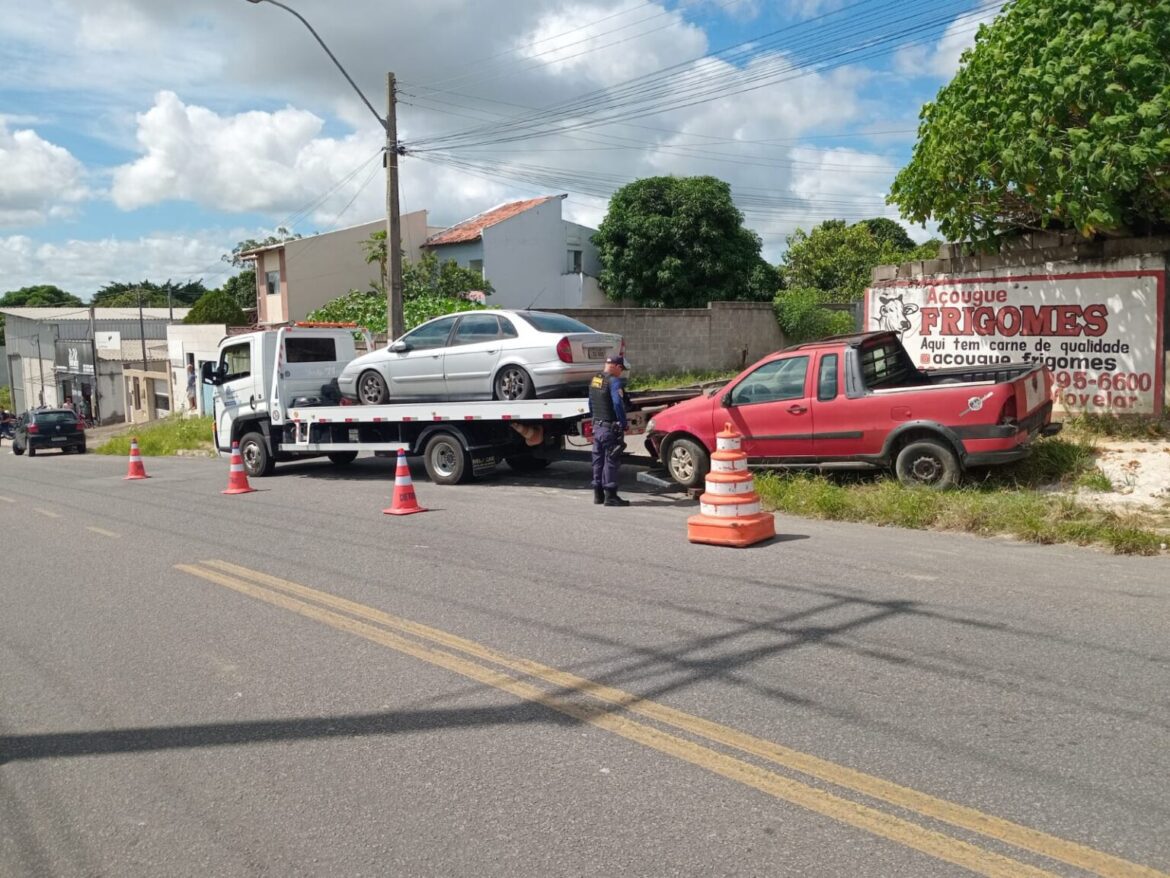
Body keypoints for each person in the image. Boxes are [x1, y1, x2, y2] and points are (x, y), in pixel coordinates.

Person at [588, 355, 630, 507]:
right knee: (611, 460)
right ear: (617, 367)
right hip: (609, 428)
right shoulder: (614, 381)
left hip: (597, 427)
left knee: (598, 460)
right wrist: (623, 422)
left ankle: (598, 495)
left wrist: (595, 420)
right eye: (621, 370)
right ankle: (611, 496)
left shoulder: (595, 380)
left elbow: (591, 403)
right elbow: (618, 403)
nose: (621, 373)